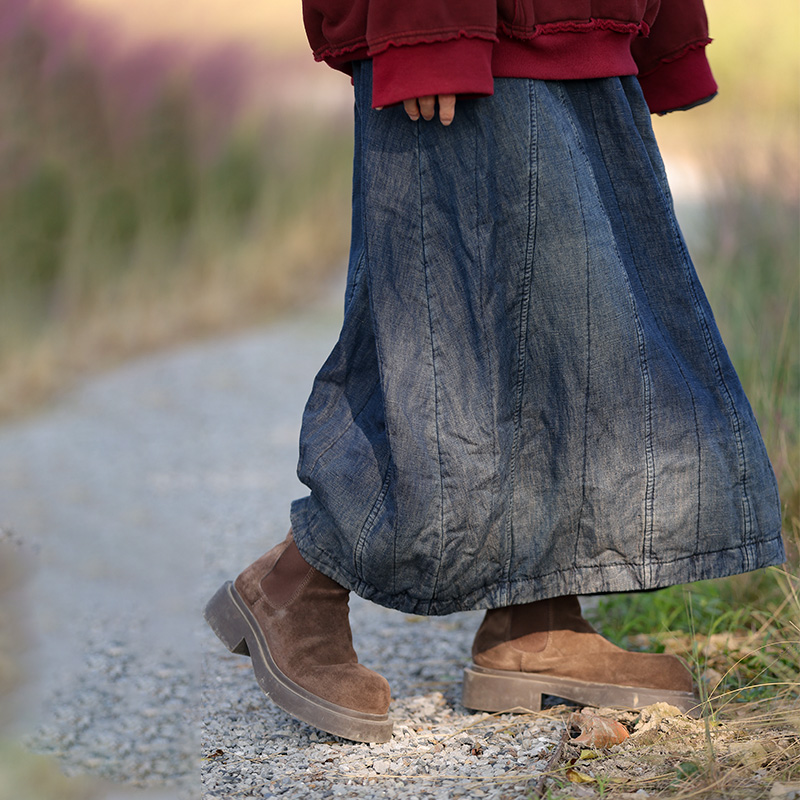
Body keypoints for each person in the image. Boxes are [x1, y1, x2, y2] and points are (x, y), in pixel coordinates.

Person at [205, 0, 786, 744]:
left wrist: (663, 30)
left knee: (581, 334)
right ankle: (294, 584)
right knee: (450, 350)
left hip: (583, 25)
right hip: (469, 30)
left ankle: (536, 619)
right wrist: (427, 27)